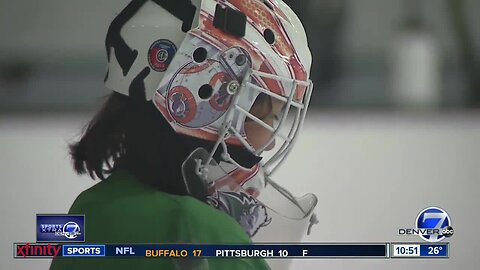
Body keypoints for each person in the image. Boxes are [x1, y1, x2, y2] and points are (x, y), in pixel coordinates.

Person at [50, 0, 317, 269]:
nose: (270, 143)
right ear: (205, 98)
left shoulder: (86, 211)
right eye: (267, 117)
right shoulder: (204, 234)